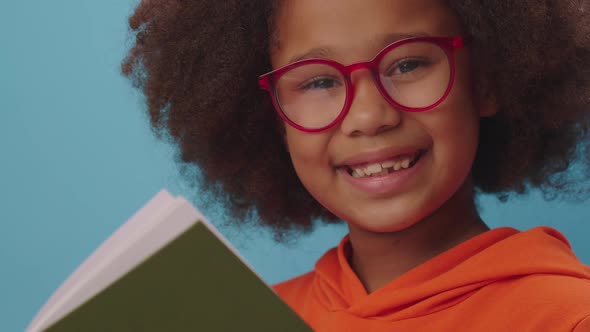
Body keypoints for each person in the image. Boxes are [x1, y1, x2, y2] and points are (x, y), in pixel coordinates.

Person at [122, 0, 590, 330]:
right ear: (272, 119)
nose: (368, 117)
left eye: (407, 65)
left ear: (486, 81)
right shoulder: (267, 318)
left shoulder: (567, 316)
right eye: (319, 81)